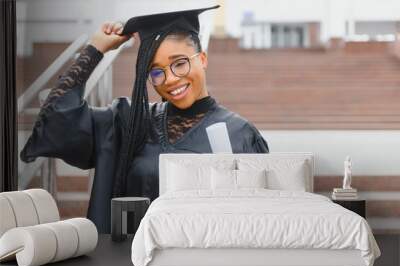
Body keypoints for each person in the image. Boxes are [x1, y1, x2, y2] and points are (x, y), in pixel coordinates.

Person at [20, 5, 269, 233]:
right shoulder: (126, 122)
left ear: (202, 59)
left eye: (179, 63)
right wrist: (95, 50)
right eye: (156, 71)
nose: (170, 79)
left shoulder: (241, 134)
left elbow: (260, 221)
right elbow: (55, 120)